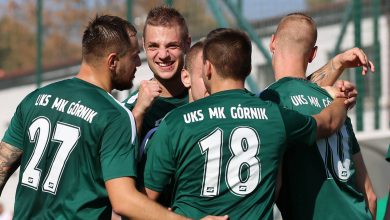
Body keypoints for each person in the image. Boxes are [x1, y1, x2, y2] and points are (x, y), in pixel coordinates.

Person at [0, 14, 226, 220]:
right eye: (134, 56)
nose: (139, 63)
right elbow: (124, 201)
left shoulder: (36, 98)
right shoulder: (115, 115)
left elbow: (3, 165)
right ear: (112, 62)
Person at [142, 28, 351, 219]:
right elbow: (329, 122)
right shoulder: (273, 115)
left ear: (207, 68)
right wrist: (342, 99)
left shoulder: (176, 122)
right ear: (249, 68)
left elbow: (142, 201)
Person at [260, 13, 376, 219]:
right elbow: (371, 196)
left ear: (272, 43)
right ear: (313, 54)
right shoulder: (337, 103)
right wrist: (336, 64)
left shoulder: (269, 103)